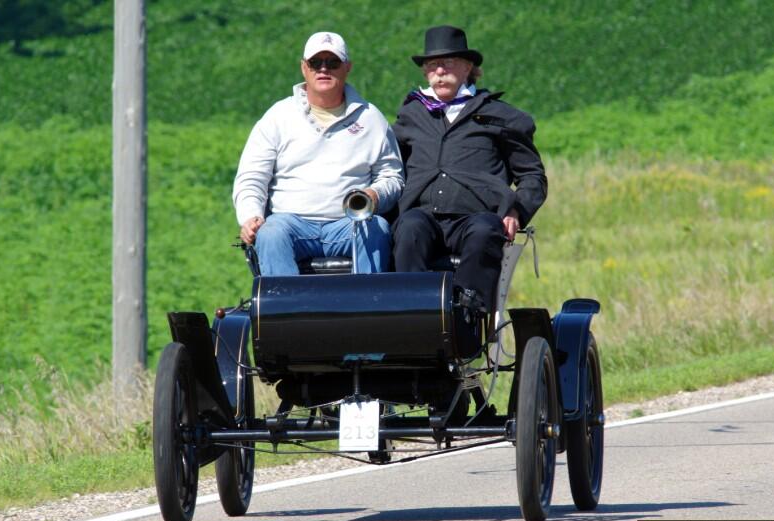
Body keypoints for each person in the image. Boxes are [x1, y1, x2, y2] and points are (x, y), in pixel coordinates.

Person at [392, 25, 548, 311]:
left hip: (475, 218)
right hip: (424, 218)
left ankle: (468, 316)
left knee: (485, 230)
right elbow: (391, 168)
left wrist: (517, 211)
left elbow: (532, 176)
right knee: (409, 227)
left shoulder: (499, 116)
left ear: (468, 67)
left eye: (447, 63)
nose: (439, 71)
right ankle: (411, 314)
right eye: (432, 65)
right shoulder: (411, 115)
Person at [233, 31, 404, 275]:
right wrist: (251, 216)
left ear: (347, 67)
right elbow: (252, 177)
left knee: (375, 227)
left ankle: (366, 309)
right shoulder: (277, 116)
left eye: (333, 62)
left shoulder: (371, 118)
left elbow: (392, 176)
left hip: (350, 223)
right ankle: (289, 312)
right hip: (290, 223)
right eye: (315, 63)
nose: (324, 69)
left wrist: (374, 195)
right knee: (270, 232)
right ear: (304, 68)